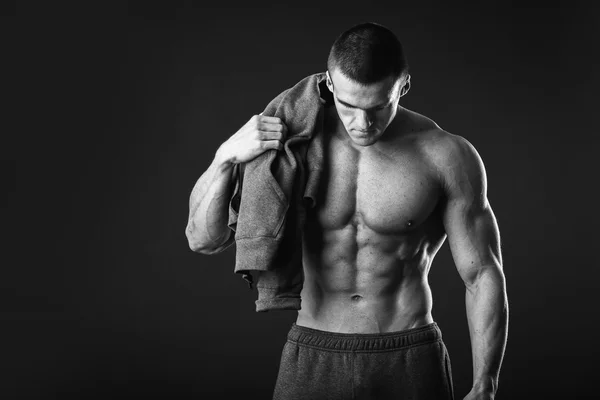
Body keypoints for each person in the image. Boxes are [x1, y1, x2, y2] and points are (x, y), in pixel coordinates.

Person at [186, 22, 508, 400]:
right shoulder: (291, 146)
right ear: (329, 85)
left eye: (377, 108)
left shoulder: (445, 155)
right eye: (348, 106)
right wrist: (224, 158)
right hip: (313, 350)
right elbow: (203, 240)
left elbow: (483, 273)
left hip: (409, 352)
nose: (362, 123)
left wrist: (485, 384)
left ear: (402, 86)